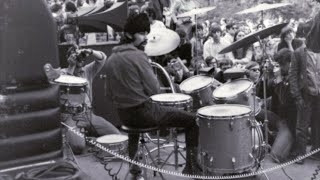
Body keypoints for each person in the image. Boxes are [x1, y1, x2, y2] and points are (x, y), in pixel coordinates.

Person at [104, 13, 200, 178]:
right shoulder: (139, 56)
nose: (145, 38)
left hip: (124, 116)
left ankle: (135, 171)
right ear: (128, 34)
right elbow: (154, 90)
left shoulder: (111, 59)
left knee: (134, 132)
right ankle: (192, 169)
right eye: (141, 34)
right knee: (193, 121)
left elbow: (108, 95)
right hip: (144, 113)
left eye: (146, 33)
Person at [44, 45, 121, 154]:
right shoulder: (61, 73)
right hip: (71, 117)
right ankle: (84, 139)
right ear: (67, 57)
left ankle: (88, 139)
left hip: (88, 114)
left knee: (116, 135)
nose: (79, 58)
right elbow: (66, 83)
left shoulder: (87, 71)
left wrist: (89, 51)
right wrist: (71, 66)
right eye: (74, 54)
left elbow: (102, 58)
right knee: (78, 147)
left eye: (81, 55)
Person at [245, 61, 293, 163]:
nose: (257, 72)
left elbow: (281, 100)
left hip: (284, 120)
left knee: (276, 155)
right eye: (254, 70)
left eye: (258, 70)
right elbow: (262, 95)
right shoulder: (245, 83)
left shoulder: (288, 80)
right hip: (258, 113)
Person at [289, 12, 320, 164]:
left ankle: (316, 151)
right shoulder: (299, 53)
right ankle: (300, 154)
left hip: (318, 94)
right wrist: (297, 96)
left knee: (318, 124)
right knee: (302, 126)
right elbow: (292, 76)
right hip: (305, 94)